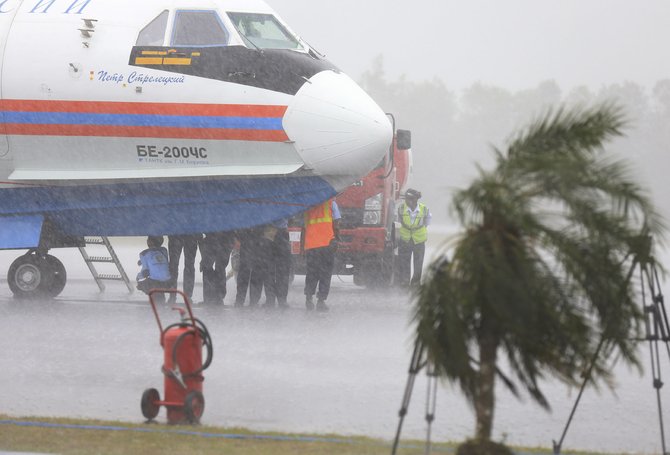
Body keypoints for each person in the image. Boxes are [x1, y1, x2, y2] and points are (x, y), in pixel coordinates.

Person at [302, 198, 341, 311]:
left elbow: (304, 226)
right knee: (325, 274)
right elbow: (337, 222)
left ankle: (308, 299)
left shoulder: (307, 204)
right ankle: (321, 301)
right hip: (326, 243)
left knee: (311, 273)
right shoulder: (331, 203)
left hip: (312, 244)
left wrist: (303, 247)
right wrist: (337, 239)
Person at [396, 188, 431, 288]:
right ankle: (404, 282)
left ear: (416, 199)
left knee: (418, 264)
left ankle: (415, 283)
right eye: (407, 198)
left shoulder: (424, 209)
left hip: (419, 241)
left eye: (411, 198)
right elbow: (398, 223)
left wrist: (417, 231)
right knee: (404, 263)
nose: (408, 201)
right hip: (405, 240)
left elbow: (427, 222)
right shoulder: (401, 209)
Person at [199, 231, 234, 305]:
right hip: (220, 240)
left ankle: (214, 297)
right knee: (213, 268)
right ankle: (215, 297)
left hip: (221, 241)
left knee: (217, 269)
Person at [166, 233, 201, 304]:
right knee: (189, 266)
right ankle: (187, 295)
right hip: (191, 233)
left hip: (176, 233)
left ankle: (173, 295)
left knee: (173, 266)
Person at [136, 235, 171, 304]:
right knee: (159, 277)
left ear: (150, 242)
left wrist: (138, 277)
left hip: (155, 282)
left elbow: (145, 271)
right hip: (167, 281)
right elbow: (158, 261)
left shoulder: (143, 254)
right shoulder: (164, 250)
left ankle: (155, 299)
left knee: (141, 284)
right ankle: (160, 295)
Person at [266, 217, 291, 309]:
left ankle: (271, 299)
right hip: (281, 230)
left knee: (269, 269)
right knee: (282, 269)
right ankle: (281, 299)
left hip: (269, 230)